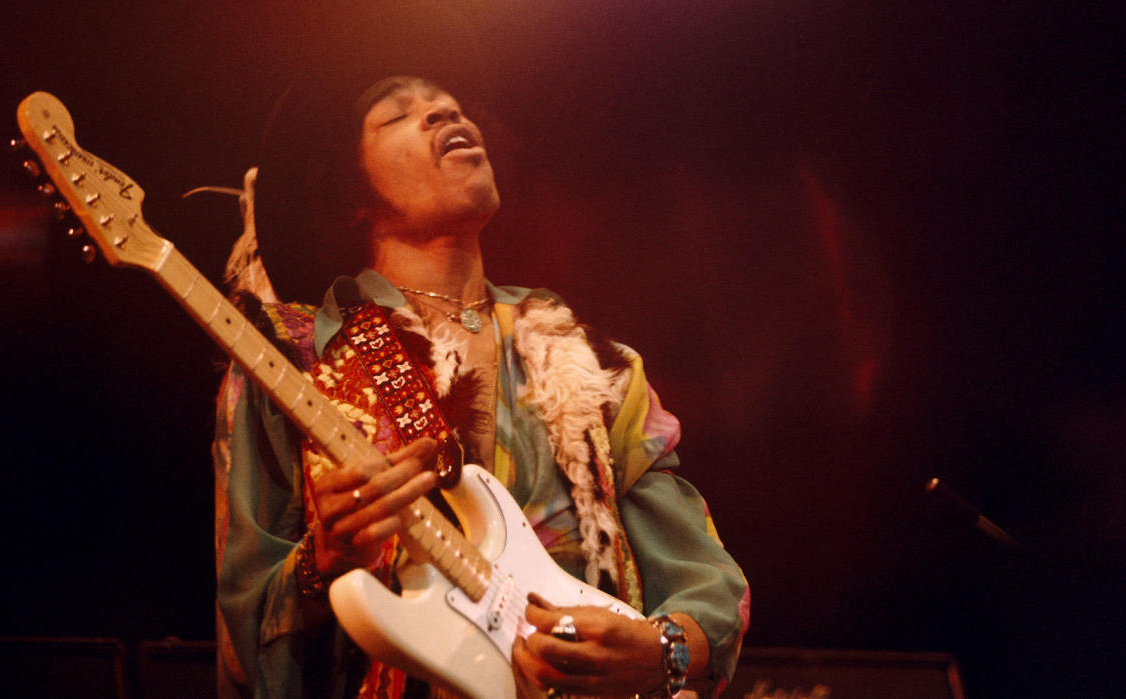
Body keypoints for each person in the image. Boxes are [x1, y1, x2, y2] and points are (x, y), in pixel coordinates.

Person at [213, 42, 748, 699]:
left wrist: (665, 648)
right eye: (397, 115)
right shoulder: (288, 361)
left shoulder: (600, 364)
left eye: (452, 105)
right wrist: (321, 564)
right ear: (345, 192)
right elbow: (242, 623)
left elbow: (703, 575)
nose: (440, 110)